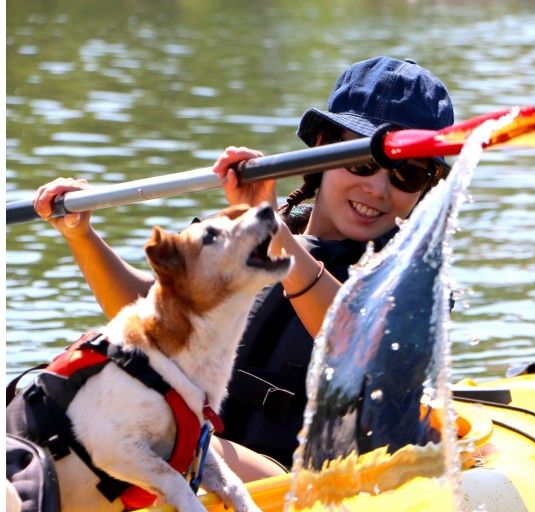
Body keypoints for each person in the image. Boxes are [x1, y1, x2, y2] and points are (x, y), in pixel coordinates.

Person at [31, 56, 455, 476]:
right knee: (56, 399)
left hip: (313, 481)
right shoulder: (249, 228)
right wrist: (81, 235)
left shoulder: (418, 281)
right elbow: (149, 316)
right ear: (323, 145)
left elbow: (356, 341)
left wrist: (273, 232)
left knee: (139, 434)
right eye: (362, 163)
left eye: (408, 175)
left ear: (426, 185)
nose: (378, 188)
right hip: (217, 454)